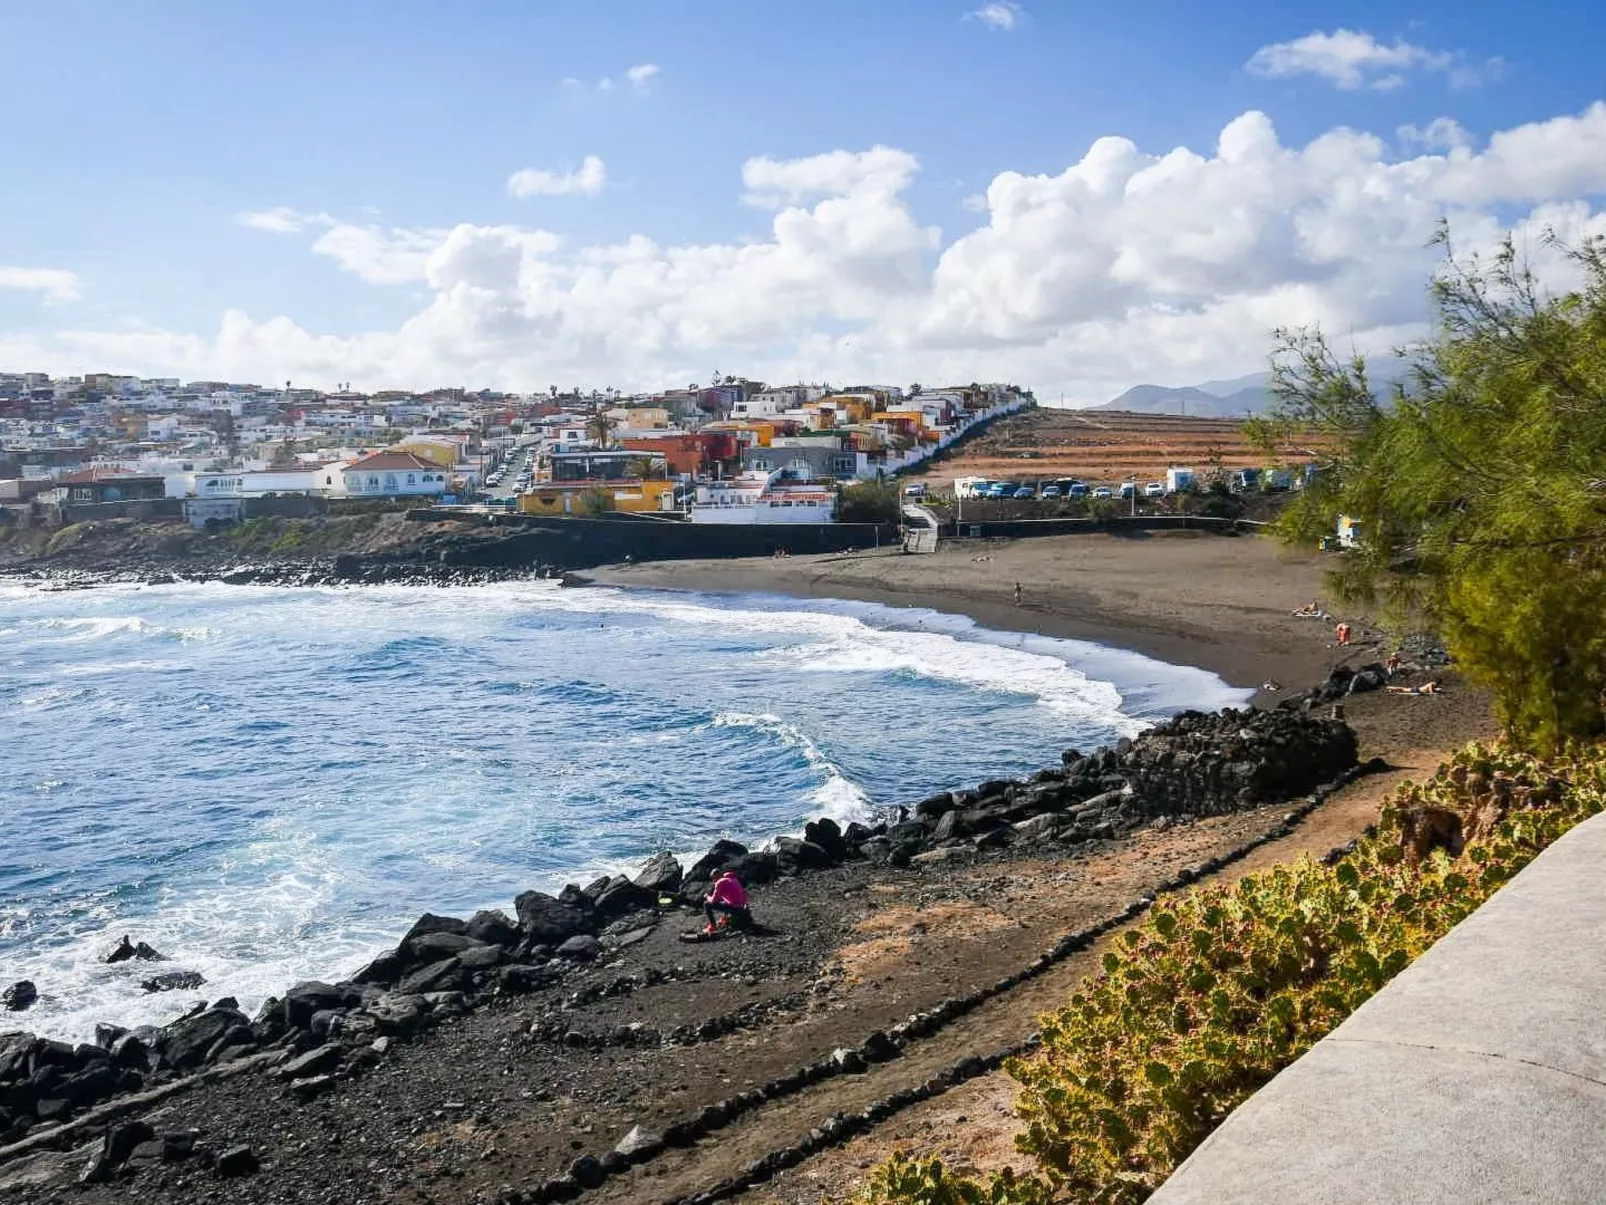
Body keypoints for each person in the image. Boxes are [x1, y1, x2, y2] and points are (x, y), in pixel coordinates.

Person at [704, 868, 751, 934]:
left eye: (712, 878)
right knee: (724, 899)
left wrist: (707, 896)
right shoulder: (733, 879)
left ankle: (713, 926)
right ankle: (725, 918)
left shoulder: (720, 882)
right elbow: (743, 892)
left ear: (715, 877)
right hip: (741, 906)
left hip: (734, 907)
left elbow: (713, 900)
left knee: (706, 904)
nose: (713, 881)